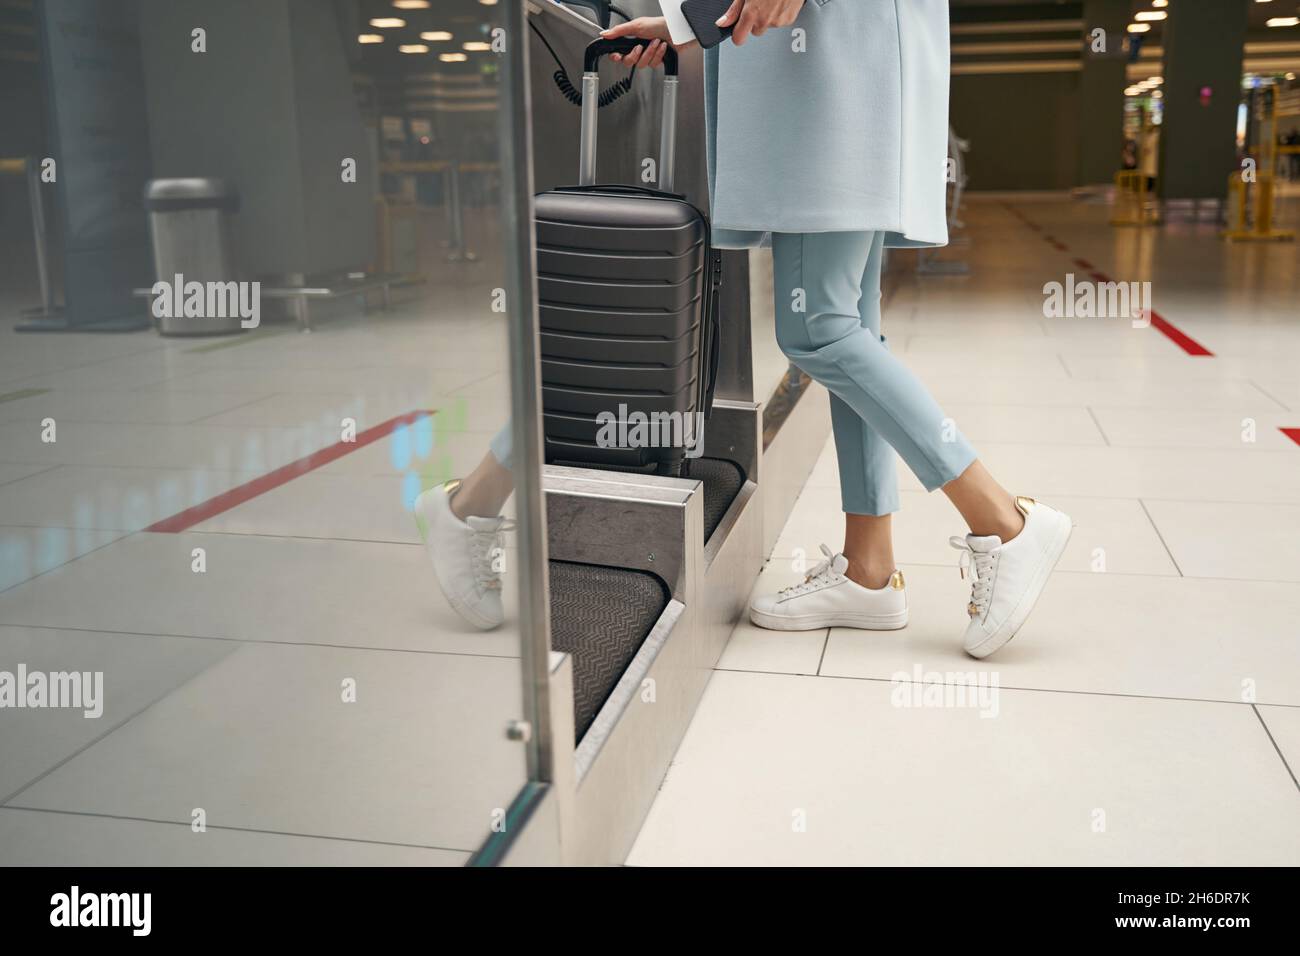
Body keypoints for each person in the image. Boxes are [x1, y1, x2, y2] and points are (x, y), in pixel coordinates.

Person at [416, 0, 1072, 660]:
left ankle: (994, 525)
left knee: (826, 327)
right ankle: (876, 564)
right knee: (841, 323)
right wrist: (687, 19)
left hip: (832, 55)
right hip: (842, 51)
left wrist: (687, 20)